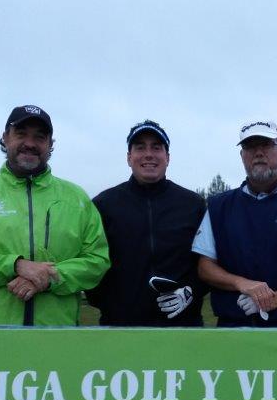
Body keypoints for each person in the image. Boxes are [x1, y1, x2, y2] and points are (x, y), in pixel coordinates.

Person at [0, 104, 110, 326]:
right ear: (5, 138)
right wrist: (15, 266)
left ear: (50, 145)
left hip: (59, 337)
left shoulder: (76, 198)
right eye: (21, 134)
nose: (29, 143)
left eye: (39, 137)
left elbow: (96, 261)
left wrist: (47, 278)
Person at [192, 120, 277, 327]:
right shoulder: (218, 207)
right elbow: (205, 267)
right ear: (242, 156)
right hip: (234, 329)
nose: (259, 152)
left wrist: (271, 300)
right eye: (250, 147)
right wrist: (243, 284)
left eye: (266, 145)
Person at [87, 120, 207, 326]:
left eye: (156, 148)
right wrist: (110, 303)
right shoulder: (103, 204)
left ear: (167, 157)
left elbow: (208, 263)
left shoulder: (193, 204)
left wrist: (191, 291)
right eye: (140, 147)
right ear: (129, 157)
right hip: (120, 327)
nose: (148, 154)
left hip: (183, 327)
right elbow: (90, 259)